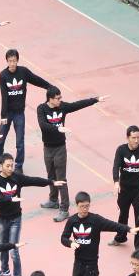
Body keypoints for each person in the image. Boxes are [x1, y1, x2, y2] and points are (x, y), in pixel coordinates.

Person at [0, 154, 60, 276]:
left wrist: (51, 182)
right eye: (8, 166)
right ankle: (4, 269)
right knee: (2, 245)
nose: (11, 168)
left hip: (15, 219)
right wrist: (10, 199)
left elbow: (33, 180)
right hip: (2, 219)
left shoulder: (17, 177)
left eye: (12, 165)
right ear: (1, 166)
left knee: (13, 249)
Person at [37, 86, 100, 222]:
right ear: (50, 99)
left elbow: (78, 105)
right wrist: (58, 128)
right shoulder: (41, 109)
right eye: (57, 98)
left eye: (60, 98)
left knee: (61, 179)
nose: (60, 100)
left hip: (60, 148)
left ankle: (64, 209)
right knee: (51, 176)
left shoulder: (63, 107)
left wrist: (95, 100)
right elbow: (43, 125)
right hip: (47, 148)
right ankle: (53, 200)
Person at [0, 49, 51, 171]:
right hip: (7, 112)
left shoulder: (23, 72)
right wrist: (3, 116)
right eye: (10, 61)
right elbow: (4, 96)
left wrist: (49, 86)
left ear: (17, 60)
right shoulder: (3, 75)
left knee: (20, 141)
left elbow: (36, 79)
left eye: (14, 61)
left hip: (19, 113)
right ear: (7, 61)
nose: (12, 63)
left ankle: (19, 165)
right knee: (1, 137)